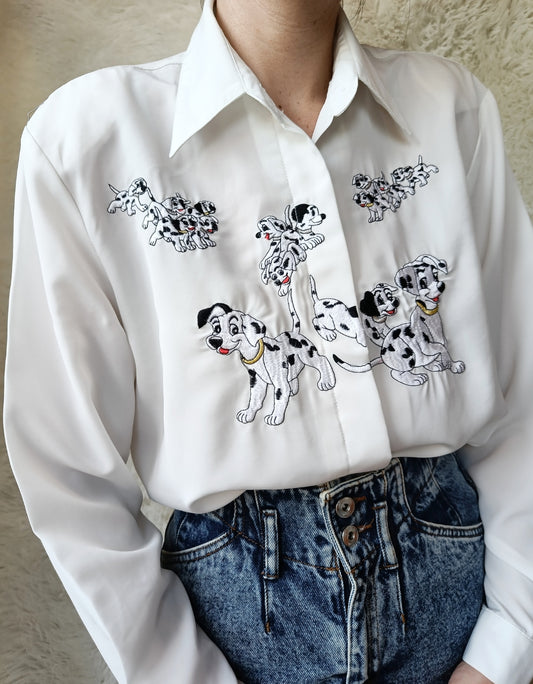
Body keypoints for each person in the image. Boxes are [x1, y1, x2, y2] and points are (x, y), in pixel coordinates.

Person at [4, 0, 533, 681]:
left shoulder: (450, 108)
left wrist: (505, 648)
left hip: (452, 589)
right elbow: (67, 474)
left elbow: (520, 401)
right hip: (236, 620)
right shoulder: (86, 141)